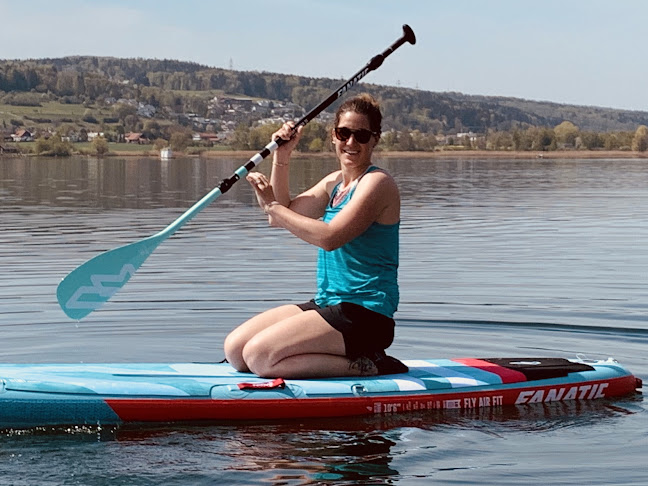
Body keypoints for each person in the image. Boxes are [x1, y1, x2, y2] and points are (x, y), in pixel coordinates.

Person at [224, 93, 405, 379]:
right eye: (343, 133)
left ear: (374, 139)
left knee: (259, 357)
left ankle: (369, 364)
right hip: (329, 304)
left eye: (361, 135)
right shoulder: (334, 182)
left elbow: (329, 237)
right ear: (333, 136)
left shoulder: (378, 183)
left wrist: (271, 204)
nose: (350, 143)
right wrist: (282, 156)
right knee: (236, 350)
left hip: (366, 316)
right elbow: (280, 217)